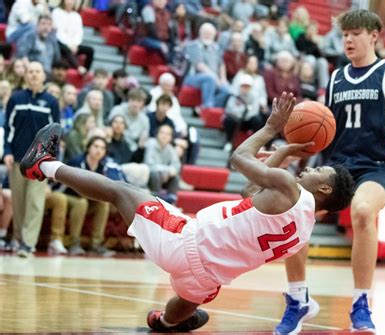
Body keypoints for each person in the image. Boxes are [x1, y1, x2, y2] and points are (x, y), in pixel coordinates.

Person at [19, 92, 354, 332]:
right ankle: (167, 322)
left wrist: (270, 128)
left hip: (185, 241)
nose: (310, 171)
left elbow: (238, 159)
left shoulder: (290, 188)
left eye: (318, 173)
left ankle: (44, 165)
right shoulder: (302, 232)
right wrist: (281, 154)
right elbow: (250, 195)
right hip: (209, 279)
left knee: (120, 191)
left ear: (325, 189)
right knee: (186, 301)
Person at [275, 10, 385, 333]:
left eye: (355, 33)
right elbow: (321, 132)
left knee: (363, 209)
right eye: (344, 35)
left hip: (377, 166)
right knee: (293, 208)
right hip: (337, 167)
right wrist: (284, 152)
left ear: (374, 35)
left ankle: (360, 304)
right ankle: (298, 299)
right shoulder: (336, 78)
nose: (348, 40)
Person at [3, 61, 60, 257]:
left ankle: (28, 243)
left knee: (35, 202)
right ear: (25, 75)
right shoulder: (16, 99)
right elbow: (9, 129)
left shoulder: (51, 102)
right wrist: (7, 152)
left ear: (44, 75)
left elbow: (54, 134)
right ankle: (18, 239)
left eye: (38, 71)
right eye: (30, 72)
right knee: (18, 202)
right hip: (17, 159)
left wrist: (52, 160)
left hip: (40, 162)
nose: (34, 75)